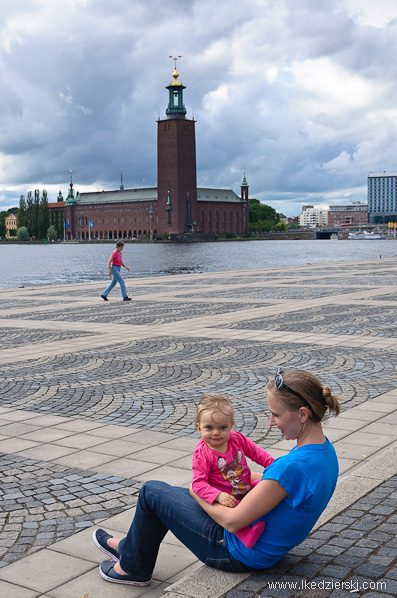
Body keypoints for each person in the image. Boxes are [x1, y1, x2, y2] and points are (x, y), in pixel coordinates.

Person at [92, 368, 341, 586]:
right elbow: (274, 486)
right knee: (167, 497)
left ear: (303, 414)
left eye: (276, 414)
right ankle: (128, 549)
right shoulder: (325, 452)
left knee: (152, 492)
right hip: (267, 545)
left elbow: (233, 522)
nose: (271, 422)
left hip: (238, 550)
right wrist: (221, 485)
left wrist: (197, 491)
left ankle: (132, 568)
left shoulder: (291, 466)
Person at [193, 393, 275, 548]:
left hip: (245, 488)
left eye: (222, 427)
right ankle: (246, 535)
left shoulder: (236, 439)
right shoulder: (202, 454)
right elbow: (197, 483)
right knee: (235, 513)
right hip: (227, 499)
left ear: (231, 426)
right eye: (209, 428)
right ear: (199, 428)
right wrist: (217, 496)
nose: (216, 433)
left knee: (264, 484)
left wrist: (274, 465)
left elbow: (256, 452)